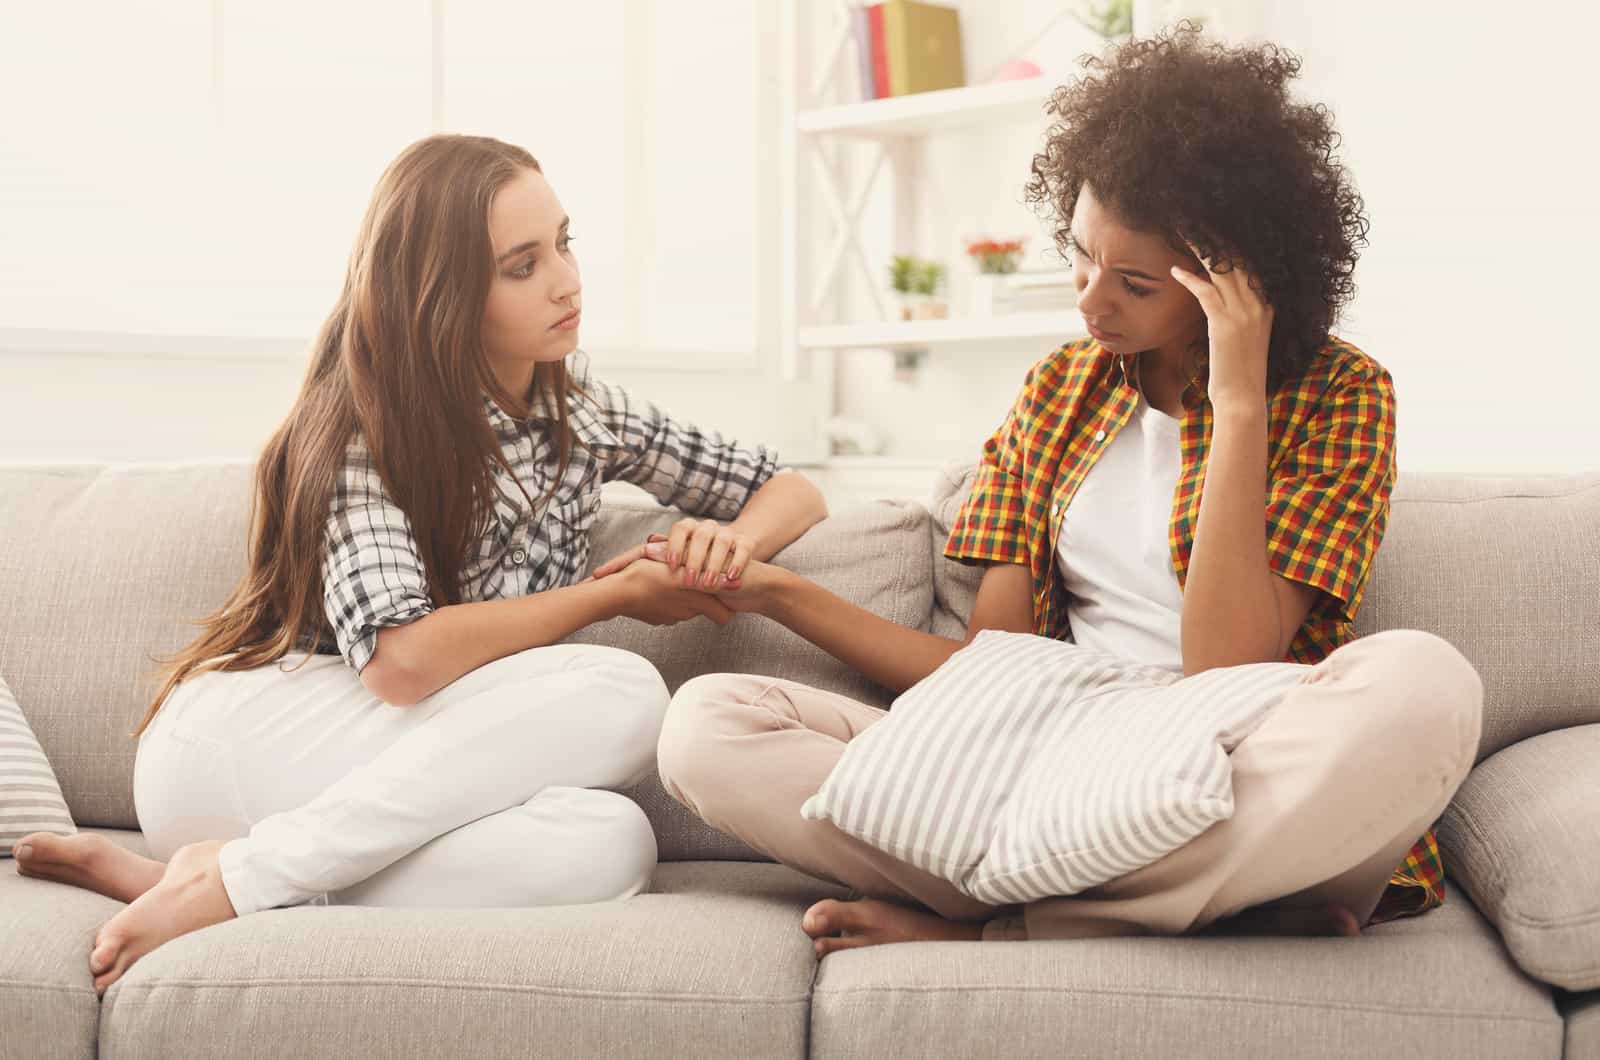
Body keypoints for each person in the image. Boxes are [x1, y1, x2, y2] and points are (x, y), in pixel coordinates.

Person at [649, 26, 1483, 956]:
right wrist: (775, 591)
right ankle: (1175, 906)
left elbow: (1226, 668)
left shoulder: (1340, 393)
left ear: (1235, 280)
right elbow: (990, 671)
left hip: (1232, 746)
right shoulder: (1059, 390)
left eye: (1133, 283)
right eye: (1081, 257)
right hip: (1054, 752)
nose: (1089, 303)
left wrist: (1239, 403)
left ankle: (1005, 921)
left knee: (1428, 682)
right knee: (705, 727)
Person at [12, 133, 827, 992]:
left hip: (356, 787)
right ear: (441, 295)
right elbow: (401, 662)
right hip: (246, 741)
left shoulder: (582, 410)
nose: (566, 279)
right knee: (623, 691)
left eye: (564, 242)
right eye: (522, 265)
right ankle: (238, 878)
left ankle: (227, 875)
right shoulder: (363, 425)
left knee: (610, 844)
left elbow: (790, 489)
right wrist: (607, 599)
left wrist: (729, 545)